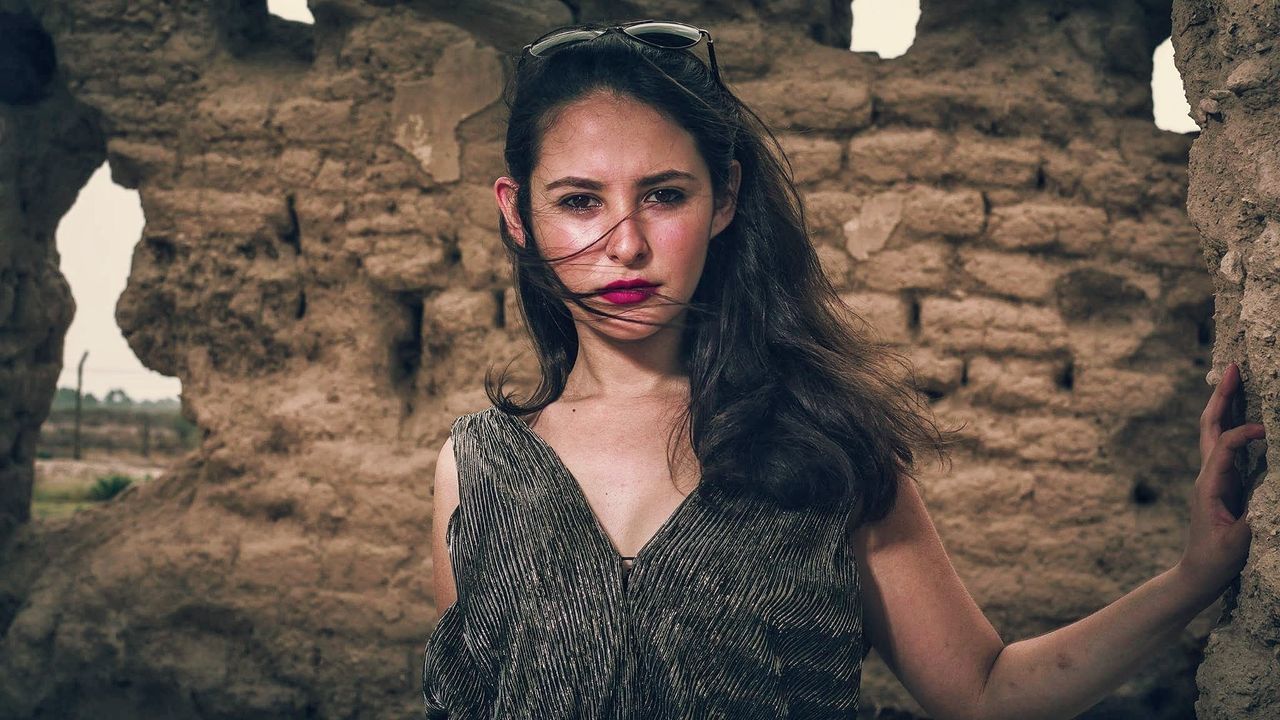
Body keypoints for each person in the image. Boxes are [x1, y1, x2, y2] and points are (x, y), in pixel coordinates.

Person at [422, 18, 1268, 720]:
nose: (628, 243)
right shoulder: (476, 470)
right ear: (518, 214)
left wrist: (1195, 575)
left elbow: (983, 694)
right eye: (579, 201)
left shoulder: (826, 442)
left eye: (665, 194)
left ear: (723, 199)